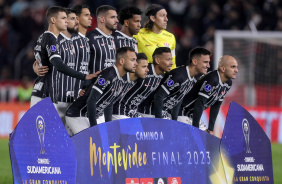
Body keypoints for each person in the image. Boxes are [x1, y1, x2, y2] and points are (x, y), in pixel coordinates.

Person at [30, 6, 97, 107]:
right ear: (53, 20)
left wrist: (35, 67)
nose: (67, 21)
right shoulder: (52, 38)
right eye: (64, 18)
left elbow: (40, 59)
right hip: (45, 93)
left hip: (51, 93)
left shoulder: (52, 38)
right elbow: (58, 64)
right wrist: (84, 76)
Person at [65, 47, 137, 134]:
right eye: (133, 60)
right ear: (122, 61)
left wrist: (108, 125)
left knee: (104, 142)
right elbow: (91, 101)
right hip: (77, 114)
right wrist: (94, 127)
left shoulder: (120, 78)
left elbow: (109, 103)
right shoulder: (108, 75)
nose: (136, 63)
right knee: (91, 144)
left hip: (93, 116)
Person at [178, 55, 238, 134]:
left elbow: (216, 106)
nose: (236, 70)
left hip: (193, 115)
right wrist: (195, 129)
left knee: (207, 139)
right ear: (223, 68)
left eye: (236, 67)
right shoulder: (212, 79)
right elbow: (200, 104)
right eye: (233, 67)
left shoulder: (228, 83)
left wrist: (210, 129)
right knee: (191, 139)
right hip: (182, 111)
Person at [112, 47, 173, 118]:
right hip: (121, 112)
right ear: (157, 60)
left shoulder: (163, 76)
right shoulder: (139, 72)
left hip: (134, 112)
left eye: (171, 59)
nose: (171, 63)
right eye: (168, 59)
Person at [154, 47, 211, 120]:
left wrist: (175, 120)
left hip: (165, 114)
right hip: (152, 113)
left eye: (208, 62)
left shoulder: (192, 80)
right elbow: (159, 96)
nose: (208, 66)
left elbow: (178, 99)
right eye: (205, 62)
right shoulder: (179, 75)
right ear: (194, 61)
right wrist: (159, 120)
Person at [134, 4, 177, 69]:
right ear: (153, 18)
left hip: (164, 78)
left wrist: (171, 79)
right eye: (162, 16)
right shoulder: (138, 35)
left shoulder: (171, 37)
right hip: (145, 77)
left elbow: (173, 65)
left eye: (166, 16)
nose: (166, 19)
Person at [112, 53, 149, 120]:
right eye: (144, 67)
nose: (147, 70)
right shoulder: (120, 79)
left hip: (129, 113)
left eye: (147, 66)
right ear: (134, 66)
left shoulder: (135, 81)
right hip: (114, 113)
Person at [86, 5, 118, 73]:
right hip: (93, 82)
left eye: (116, 17)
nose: (117, 20)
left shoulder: (115, 39)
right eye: (112, 17)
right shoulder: (89, 38)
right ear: (102, 19)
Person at [71, 4, 92, 99]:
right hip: (70, 93)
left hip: (82, 91)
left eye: (90, 15)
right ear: (77, 18)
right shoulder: (71, 40)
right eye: (86, 15)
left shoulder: (87, 41)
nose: (90, 18)